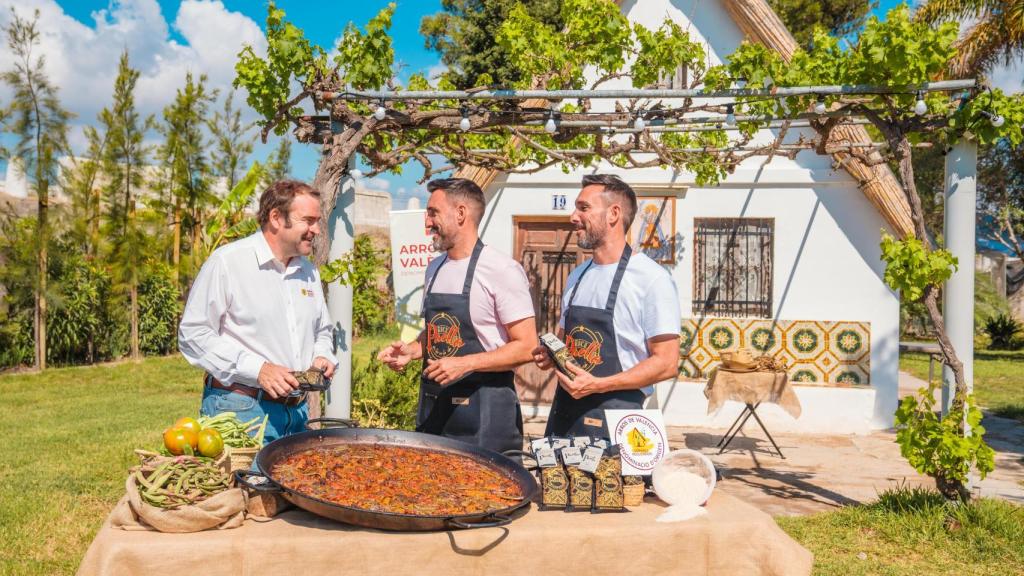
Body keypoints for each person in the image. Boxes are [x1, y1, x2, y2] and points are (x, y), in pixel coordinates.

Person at [377, 178, 537, 453]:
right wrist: (413, 350)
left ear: (461, 213)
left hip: (486, 415)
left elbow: (527, 346)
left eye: (433, 213)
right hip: (435, 410)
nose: (427, 222)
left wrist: (465, 363)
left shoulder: (502, 270)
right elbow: (439, 331)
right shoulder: (435, 268)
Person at [178, 180, 337, 444]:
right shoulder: (228, 262)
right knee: (245, 475)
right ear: (276, 218)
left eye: (317, 221)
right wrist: (258, 369)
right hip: (241, 411)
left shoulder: (309, 272)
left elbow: (322, 330)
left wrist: (322, 355)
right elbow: (193, 335)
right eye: (308, 221)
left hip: (298, 412)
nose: (317, 230)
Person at [532, 174, 680, 438]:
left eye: (584, 208)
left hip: (620, 421)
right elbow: (566, 342)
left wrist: (599, 384)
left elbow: (666, 363)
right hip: (565, 414)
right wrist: (551, 356)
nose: (573, 217)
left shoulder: (652, 279)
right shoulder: (577, 276)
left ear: (613, 214)